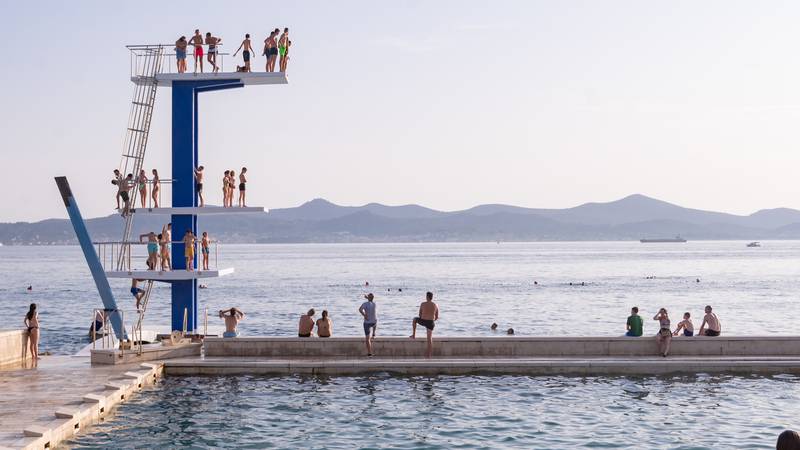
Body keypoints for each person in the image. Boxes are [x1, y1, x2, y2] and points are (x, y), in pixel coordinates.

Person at [410, 291, 439, 358]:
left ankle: (414, 335)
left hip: (424, 321)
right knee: (429, 339)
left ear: (427, 297)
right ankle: (428, 355)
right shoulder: (436, 305)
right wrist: (431, 320)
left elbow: (419, 314)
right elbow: (437, 317)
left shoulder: (423, 304)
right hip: (431, 322)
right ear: (432, 297)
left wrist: (423, 318)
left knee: (414, 320)